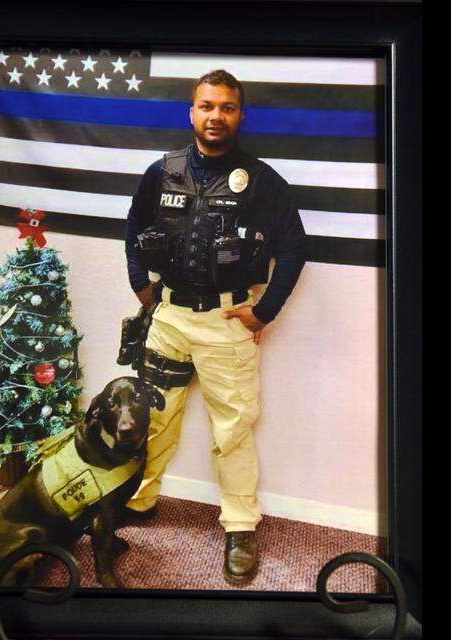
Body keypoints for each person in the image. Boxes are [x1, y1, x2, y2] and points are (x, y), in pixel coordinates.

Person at [122, 69, 306, 585]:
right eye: (207, 106)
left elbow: (294, 247)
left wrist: (264, 311)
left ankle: (241, 527)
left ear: (240, 115)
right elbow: (134, 225)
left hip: (227, 323)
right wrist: (141, 285)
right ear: (192, 112)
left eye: (226, 107)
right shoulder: (162, 171)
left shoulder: (262, 181)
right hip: (169, 320)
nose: (215, 116)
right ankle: (138, 500)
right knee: (153, 418)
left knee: (233, 429)